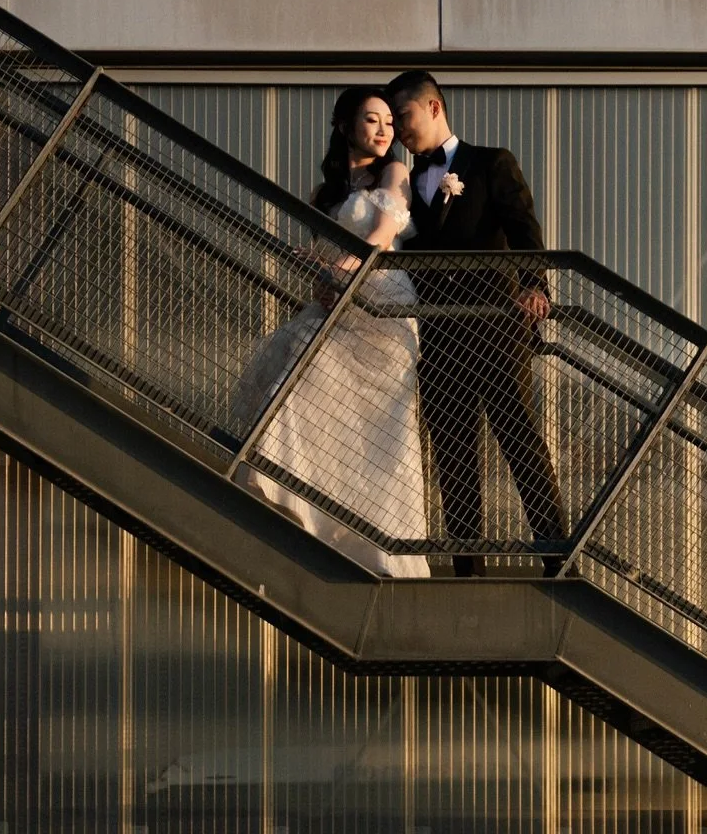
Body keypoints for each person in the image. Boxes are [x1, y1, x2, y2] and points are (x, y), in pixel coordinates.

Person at [229, 86, 429, 579]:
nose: (384, 131)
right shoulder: (325, 192)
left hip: (381, 306)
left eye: (388, 121)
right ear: (345, 128)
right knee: (293, 353)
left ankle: (384, 548)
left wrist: (339, 269)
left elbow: (382, 235)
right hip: (337, 300)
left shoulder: (395, 173)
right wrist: (320, 275)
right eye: (372, 121)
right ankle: (300, 501)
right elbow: (319, 252)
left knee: (380, 434)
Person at [386, 68, 568, 577]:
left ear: (433, 107)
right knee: (454, 455)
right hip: (439, 336)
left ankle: (558, 558)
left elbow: (524, 229)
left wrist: (535, 284)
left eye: (404, 115)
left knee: (520, 441)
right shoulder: (401, 183)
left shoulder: (490, 163)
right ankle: (469, 568)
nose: (399, 128)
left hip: (495, 327)